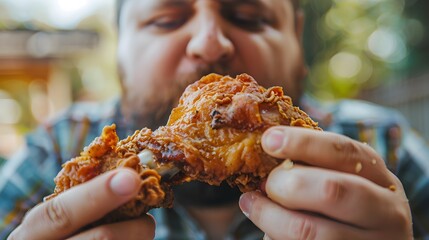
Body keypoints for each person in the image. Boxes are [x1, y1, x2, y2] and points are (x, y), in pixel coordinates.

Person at [1, 0, 428, 239]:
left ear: (297, 40)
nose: (210, 44)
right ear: (120, 53)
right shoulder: (53, 153)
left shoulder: (384, 151)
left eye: (250, 18)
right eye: (166, 19)